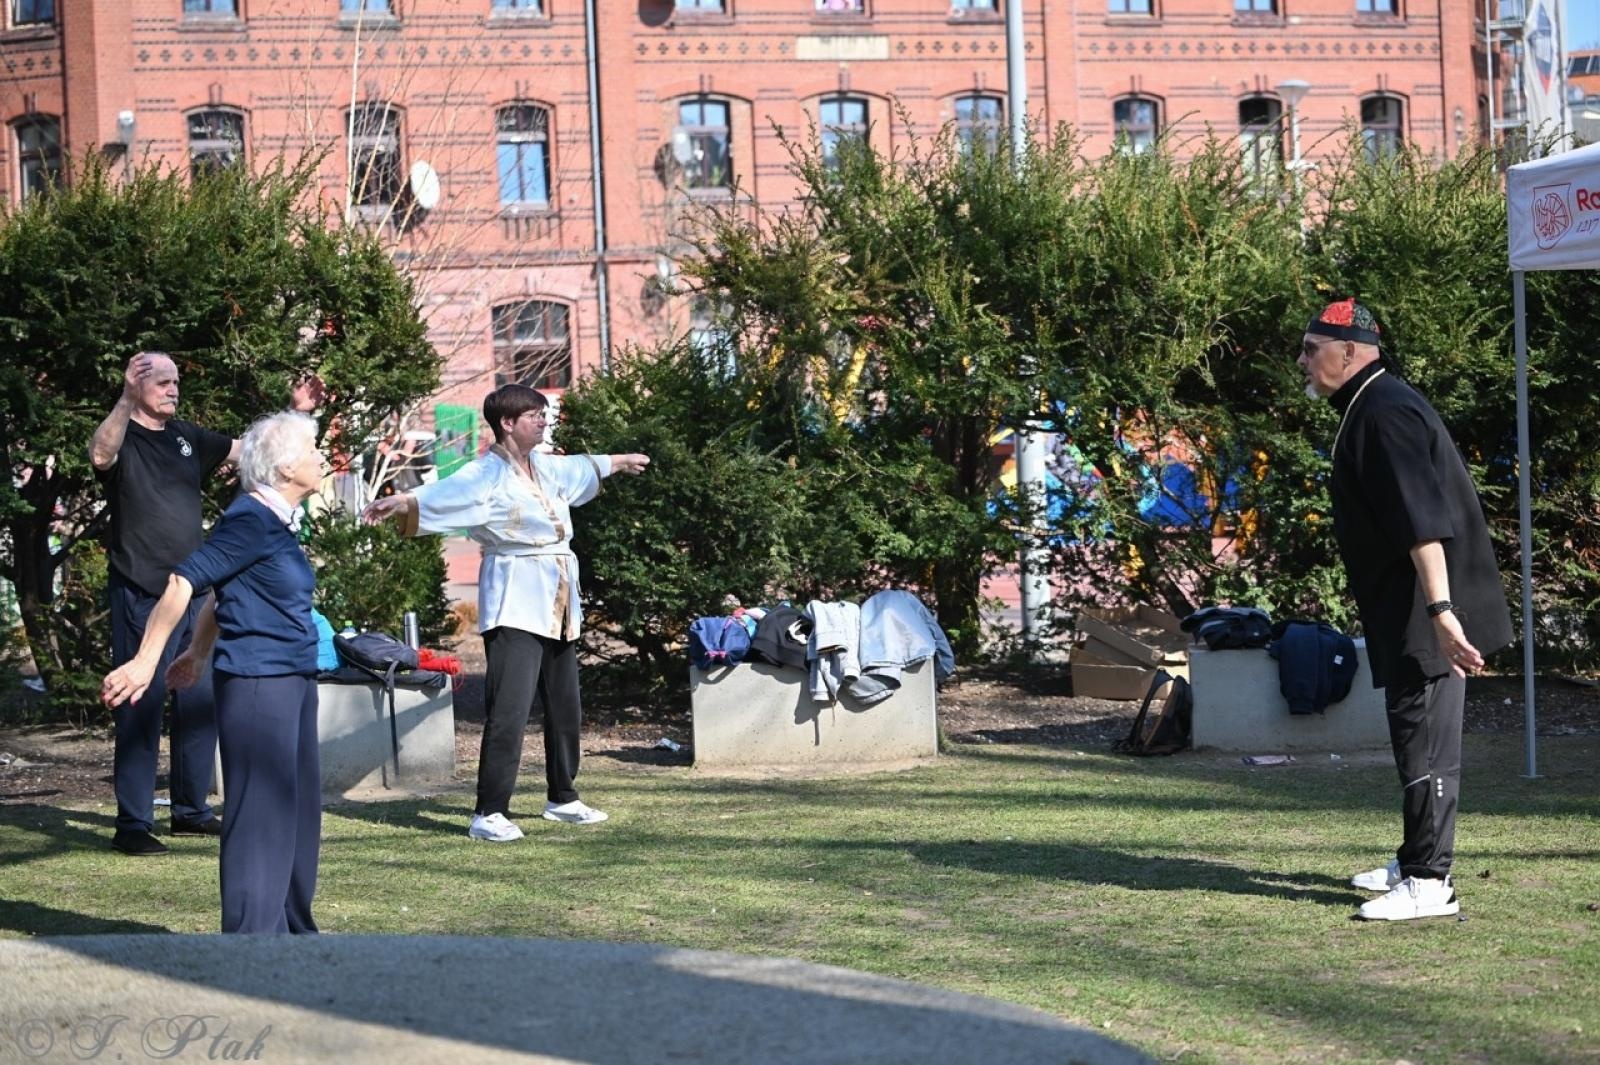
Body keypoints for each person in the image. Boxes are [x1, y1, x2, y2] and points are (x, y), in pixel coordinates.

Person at [1297, 298, 1512, 922]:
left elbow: (1425, 524)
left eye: (1313, 350)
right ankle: (1415, 856)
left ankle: (1429, 883)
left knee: (1425, 742)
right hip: (1412, 604)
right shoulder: (1372, 404)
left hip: (1429, 607)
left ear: (1351, 352)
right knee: (1411, 733)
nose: (1304, 361)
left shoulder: (1384, 414)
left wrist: (1443, 612)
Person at [362, 384, 649, 842]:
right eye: (535, 414)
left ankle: (563, 796)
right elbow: (443, 494)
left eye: (544, 414)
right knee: (510, 708)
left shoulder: (546, 466)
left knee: (565, 704)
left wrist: (620, 461)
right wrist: (404, 501)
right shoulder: (484, 475)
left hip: (558, 596)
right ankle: (489, 811)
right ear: (508, 423)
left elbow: (584, 466)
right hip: (516, 596)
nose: (543, 420)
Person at [102, 412, 326, 934]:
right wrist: (146, 660)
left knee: (298, 812)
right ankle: (250, 943)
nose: (320, 458)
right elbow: (184, 581)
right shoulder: (250, 517)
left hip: (293, 678)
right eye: (313, 450)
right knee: (257, 816)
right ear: (286, 466)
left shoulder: (275, 521)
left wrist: (198, 653)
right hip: (257, 685)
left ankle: (293, 931)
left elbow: (222, 593)